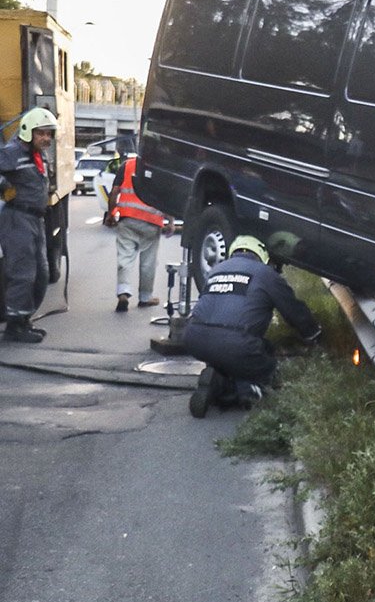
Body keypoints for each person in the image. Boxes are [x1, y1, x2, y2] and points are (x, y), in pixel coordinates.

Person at [182, 234, 321, 417]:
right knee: (268, 368)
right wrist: (313, 333)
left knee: (239, 354)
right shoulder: (266, 274)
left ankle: (216, 379)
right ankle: (243, 389)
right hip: (237, 343)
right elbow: (293, 310)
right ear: (262, 255)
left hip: (194, 338)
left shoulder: (217, 270)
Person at [0, 108, 57, 344]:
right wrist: (4, 188)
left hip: (36, 219)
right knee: (23, 273)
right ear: (27, 132)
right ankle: (14, 326)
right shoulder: (12, 153)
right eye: (41, 133)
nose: (46, 138)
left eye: (49, 134)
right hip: (17, 218)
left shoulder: (38, 155)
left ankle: (24, 319)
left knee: (41, 274)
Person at [104, 152, 175, 312]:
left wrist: (110, 214)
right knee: (148, 262)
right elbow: (166, 198)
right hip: (152, 222)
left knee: (125, 257)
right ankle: (145, 297)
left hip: (128, 219)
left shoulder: (127, 165)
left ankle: (123, 292)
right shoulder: (161, 169)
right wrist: (170, 222)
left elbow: (115, 192)